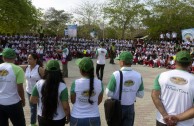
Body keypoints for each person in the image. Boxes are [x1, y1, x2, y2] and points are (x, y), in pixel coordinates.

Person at [151, 50, 194, 126]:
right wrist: (177, 118)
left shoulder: (162, 75)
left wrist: (165, 115)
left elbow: (154, 95)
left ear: (175, 61)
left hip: (163, 121)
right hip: (185, 123)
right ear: (190, 63)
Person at [106, 51, 144, 126]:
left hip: (117, 107)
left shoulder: (116, 74)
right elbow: (141, 94)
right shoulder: (138, 75)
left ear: (122, 62)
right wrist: (131, 91)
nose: (118, 62)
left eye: (119, 60)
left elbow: (108, 93)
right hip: (130, 107)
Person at [30, 60, 70, 126]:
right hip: (59, 119)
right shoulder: (62, 86)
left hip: (43, 116)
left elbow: (32, 100)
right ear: (59, 71)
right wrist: (68, 116)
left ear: (46, 71)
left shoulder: (39, 83)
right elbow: (65, 107)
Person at [70, 57, 103, 126]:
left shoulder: (75, 83)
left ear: (81, 70)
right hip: (94, 117)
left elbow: (73, 101)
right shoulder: (99, 83)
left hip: (77, 117)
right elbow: (99, 101)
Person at [0, 48, 26, 126]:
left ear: (3, 57)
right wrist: (23, 100)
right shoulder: (18, 69)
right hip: (14, 102)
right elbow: (20, 89)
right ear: (14, 58)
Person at [20, 53, 44, 126]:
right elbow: (15, 67)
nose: (28, 60)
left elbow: (46, 80)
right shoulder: (26, 67)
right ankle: (33, 123)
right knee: (33, 109)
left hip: (40, 92)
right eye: (27, 58)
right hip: (29, 91)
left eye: (30, 59)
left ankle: (42, 123)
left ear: (35, 60)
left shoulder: (39, 68)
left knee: (41, 108)